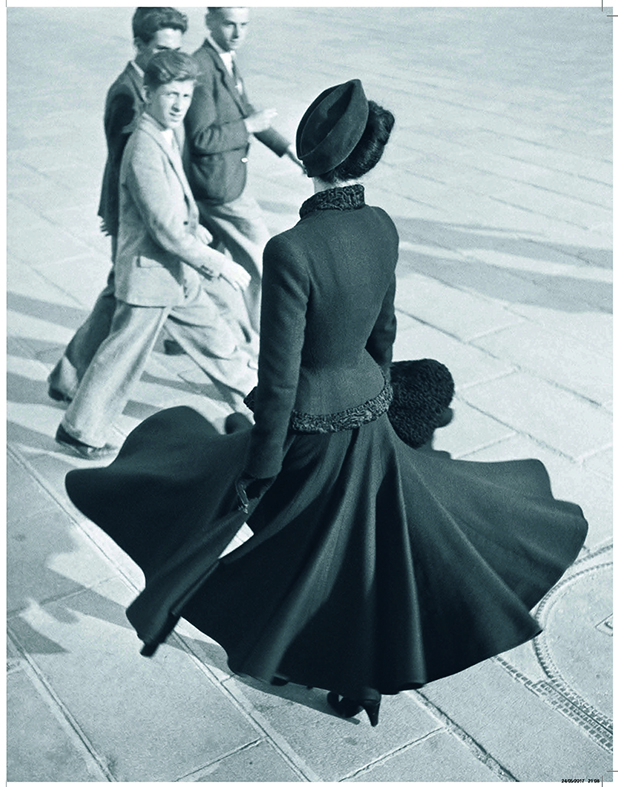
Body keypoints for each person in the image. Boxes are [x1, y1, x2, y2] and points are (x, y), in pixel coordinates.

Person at [65, 79, 588, 725]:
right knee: (354, 558)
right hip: (368, 415)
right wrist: (380, 398)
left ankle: (303, 657)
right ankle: (355, 684)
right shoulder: (382, 226)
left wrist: (261, 462)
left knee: (302, 554)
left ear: (306, 160)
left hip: (309, 431)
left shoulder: (291, 249)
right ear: (364, 160)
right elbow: (384, 333)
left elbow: (280, 376)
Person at [55, 51, 257, 459]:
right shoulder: (143, 146)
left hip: (173, 275)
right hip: (151, 275)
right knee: (119, 359)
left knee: (217, 341)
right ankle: (79, 431)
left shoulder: (166, 133)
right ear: (148, 93)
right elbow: (164, 230)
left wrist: (193, 225)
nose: (180, 105)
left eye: (185, 95)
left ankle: (260, 406)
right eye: (170, 95)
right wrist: (218, 262)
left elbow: (171, 211)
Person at [48, 7, 189, 404]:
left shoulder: (151, 83)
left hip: (148, 211)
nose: (167, 60)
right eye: (160, 49)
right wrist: (118, 217)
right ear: (139, 45)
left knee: (116, 294)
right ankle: (82, 390)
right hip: (134, 215)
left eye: (175, 50)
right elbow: (123, 163)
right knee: (127, 300)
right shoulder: (128, 94)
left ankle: (67, 375)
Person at [184, 6, 303, 334]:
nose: (238, 33)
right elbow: (201, 138)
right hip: (220, 187)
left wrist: (286, 148)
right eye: (229, 24)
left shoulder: (225, 58)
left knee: (200, 263)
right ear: (208, 21)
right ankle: (272, 345)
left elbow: (244, 110)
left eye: (244, 25)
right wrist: (248, 125)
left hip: (218, 180)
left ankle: (185, 330)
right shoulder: (202, 68)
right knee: (265, 261)